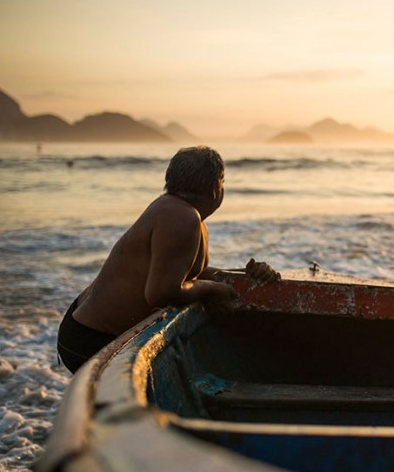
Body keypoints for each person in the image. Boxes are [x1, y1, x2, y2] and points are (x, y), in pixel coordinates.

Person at [57, 146, 280, 373]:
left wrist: (241, 274)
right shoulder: (182, 217)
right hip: (92, 340)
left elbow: (183, 274)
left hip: (84, 327)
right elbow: (161, 292)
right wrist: (212, 288)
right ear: (216, 188)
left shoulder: (179, 212)